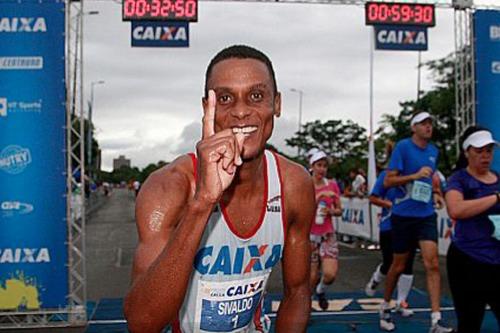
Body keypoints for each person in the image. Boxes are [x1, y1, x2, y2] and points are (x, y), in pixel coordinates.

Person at [124, 45, 315, 333]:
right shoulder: (168, 186)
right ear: (207, 108)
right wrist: (202, 203)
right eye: (225, 98)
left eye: (256, 96)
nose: (240, 111)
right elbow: (142, 323)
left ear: (276, 104)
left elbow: (298, 292)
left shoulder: (293, 184)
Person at [378, 111, 452, 333]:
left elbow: (431, 180)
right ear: (414, 128)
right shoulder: (402, 147)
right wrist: (413, 176)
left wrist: (437, 194)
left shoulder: (433, 151)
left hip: (426, 214)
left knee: (433, 263)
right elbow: (389, 180)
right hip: (403, 215)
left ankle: (435, 319)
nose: (429, 127)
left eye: (431, 123)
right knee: (398, 265)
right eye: (424, 124)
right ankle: (385, 307)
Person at [444, 126, 500, 333]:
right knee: (470, 323)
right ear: (467, 152)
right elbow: (455, 209)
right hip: (468, 260)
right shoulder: (458, 179)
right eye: (479, 151)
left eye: (489, 151)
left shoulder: (498, 177)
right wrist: (496, 198)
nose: (485, 156)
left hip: (496, 259)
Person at [365, 142, 416, 318]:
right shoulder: (386, 176)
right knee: (390, 263)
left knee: (408, 264)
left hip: (409, 224)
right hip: (389, 226)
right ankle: (376, 279)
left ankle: (401, 303)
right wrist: (387, 204)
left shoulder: (412, 175)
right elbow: (372, 197)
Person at [308, 150, 342, 311]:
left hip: (327, 233)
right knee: (311, 277)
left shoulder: (332, 185)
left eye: (324, 166)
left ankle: (321, 291)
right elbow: (302, 209)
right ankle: (304, 310)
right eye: (319, 165)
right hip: (309, 236)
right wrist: (319, 198)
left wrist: (331, 211)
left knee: (330, 274)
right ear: (312, 166)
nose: (322, 169)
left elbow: (339, 210)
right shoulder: (305, 184)